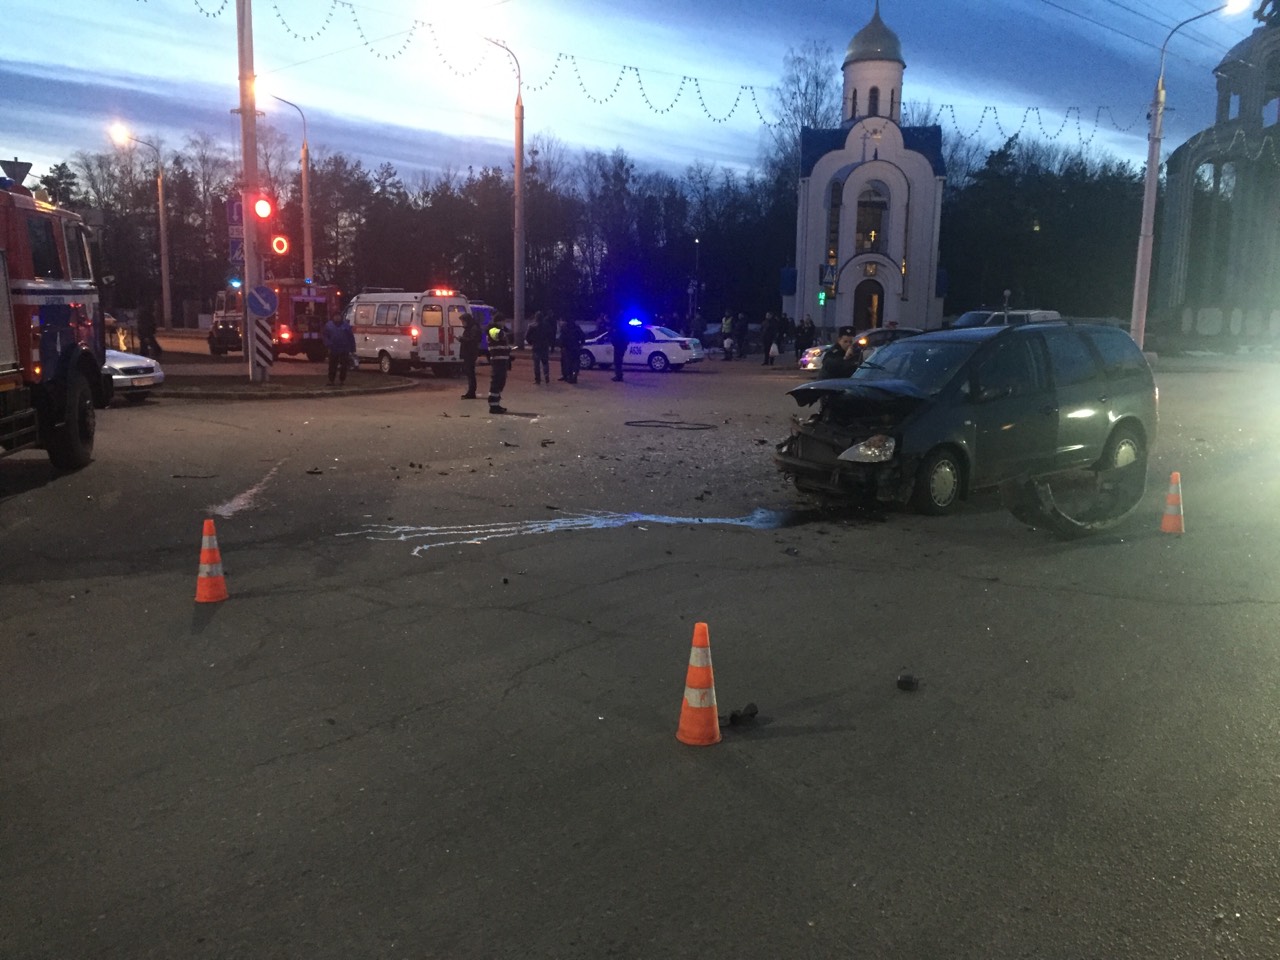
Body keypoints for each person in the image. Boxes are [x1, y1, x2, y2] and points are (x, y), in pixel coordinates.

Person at [322, 310, 357, 386]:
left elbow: (351, 337)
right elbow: (325, 336)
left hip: (344, 349)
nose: (337, 318)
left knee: (344, 366)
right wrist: (328, 344)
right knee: (332, 366)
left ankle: (342, 380)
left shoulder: (346, 325)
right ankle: (331, 380)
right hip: (333, 349)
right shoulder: (329, 325)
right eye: (335, 316)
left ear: (341, 317)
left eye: (338, 316)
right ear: (333, 317)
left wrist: (352, 348)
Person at [486, 320, 514, 413]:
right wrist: (504, 331)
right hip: (498, 362)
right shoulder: (493, 330)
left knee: (500, 383)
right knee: (496, 383)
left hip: (501, 361)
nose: (504, 323)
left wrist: (508, 351)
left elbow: (500, 346)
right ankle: (493, 406)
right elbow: (499, 334)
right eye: (502, 321)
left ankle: (496, 405)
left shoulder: (496, 330)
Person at [525, 311, 553, 385]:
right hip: (544, 347)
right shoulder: (547, 325)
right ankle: (546, 377)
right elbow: (551, 335)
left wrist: (531, 342)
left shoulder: (532, 326)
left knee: (536, 364)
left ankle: (538, 380)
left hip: (536, 347)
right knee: (545, 363)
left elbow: (527, 336)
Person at [458, 311, 482, 399]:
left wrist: (462, 339)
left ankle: (471, 392)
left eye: (463, 321)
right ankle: (471, 391)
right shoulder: (470, 328)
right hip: (469, 353)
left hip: (470, 354)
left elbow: (473, 340)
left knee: (470, 373)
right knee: (469, 373)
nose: (462, 323)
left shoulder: (473, 328)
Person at [557, 317, 583, 384]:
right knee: (575, 363)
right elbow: (583, 337)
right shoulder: (577, 328)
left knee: (567, 363)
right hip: (575, 348)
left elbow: (562, 338)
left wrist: (561, 346)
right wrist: (581, 345)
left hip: (567, 348)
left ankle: (568, 376)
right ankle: (573, 377)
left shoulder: (565, 328)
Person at [609, 314, 631, 382]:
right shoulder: (624, 329)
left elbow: (617, 338)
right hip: (621, 346)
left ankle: (619, 376)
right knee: (618, 361)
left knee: (617, 361)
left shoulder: (619, 329)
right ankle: (619, 375)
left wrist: (614, 342)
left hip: (619, 346)